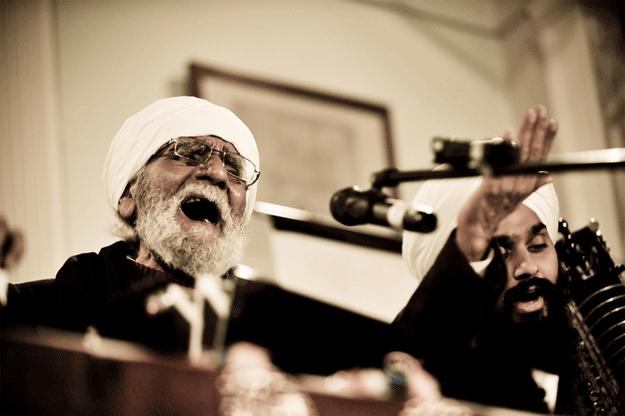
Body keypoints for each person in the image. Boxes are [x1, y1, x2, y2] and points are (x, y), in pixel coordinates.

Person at [1, 96, 261, 351]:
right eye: (191, 153)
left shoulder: (263, 336)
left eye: (236, 169)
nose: (218, 173)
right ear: (128, 196)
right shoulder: (31, 318)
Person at [394, 106, 591, 414]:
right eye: (500, 253)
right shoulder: (429, 384)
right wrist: (472, 240)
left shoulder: (596, 354)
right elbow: (394, 368)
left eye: (538, 245)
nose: (527, 267)